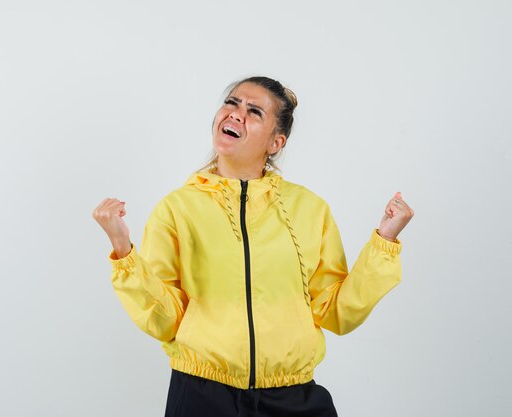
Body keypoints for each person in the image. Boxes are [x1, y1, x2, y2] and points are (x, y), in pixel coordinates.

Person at [92, 76, 414, 417]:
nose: (235, 114)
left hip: (293, 397)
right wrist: (122, 247)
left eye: (254, 111)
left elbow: (336, 312)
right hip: (202, 395)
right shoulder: (177, 209)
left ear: (276, 142)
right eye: (231, 103)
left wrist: (385, 240)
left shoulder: (310, 209)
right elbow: (166, 320)